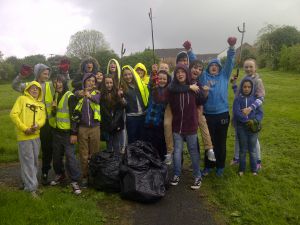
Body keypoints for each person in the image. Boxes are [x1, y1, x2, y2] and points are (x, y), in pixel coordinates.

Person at [199, 37, 236, 177]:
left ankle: (220, 166)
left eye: (216, 65)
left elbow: (230, 62)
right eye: (211, 65)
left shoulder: (224, 76)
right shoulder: (204, 77)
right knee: (209, 142)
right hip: (207, 115)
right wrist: (189, 51)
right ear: (208, 67)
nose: (214, 67)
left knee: (220, 142)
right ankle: (208, 166)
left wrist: (231, 48)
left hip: (222, 115)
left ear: (220, 68)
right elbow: (195, 65)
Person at [12, 63, 54, 185]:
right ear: (38, 73)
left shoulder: (49, 85)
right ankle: (28, 180)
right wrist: (21, 75)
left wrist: (65, 73)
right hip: (29, 123)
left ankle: (45, 174)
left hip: (45, 122)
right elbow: (14, 85)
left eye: (48, 73)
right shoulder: (28, 85)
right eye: (44, 73)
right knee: (29, 154)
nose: (47, 76)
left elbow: (64, 84)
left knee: (46, 149)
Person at [168, 64, 207, 190]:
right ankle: (176, 174)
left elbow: (201, 101)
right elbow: (171, 87)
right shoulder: (173, 87)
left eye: (182, 72)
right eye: (177, 72)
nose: (180, 74)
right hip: (177, 127)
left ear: (187, 73)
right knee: (177, 151)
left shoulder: (196, 86)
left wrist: (204, 92)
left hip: (191, 127)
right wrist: (188, 87)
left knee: (193, 152)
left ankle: (197, 176)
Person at [10, 81, 46, 198]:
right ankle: (31, 189)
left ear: (40, 91)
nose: (35, 90)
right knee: (28, 162)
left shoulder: (41, 104)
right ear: (28, 89)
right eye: (33, 88)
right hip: (24, 137)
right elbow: (13, 114)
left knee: (34, 161)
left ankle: (29, 185)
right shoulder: (22, 99)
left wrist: (38, 125)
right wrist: (24, 128)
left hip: (36, 136)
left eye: (37, 89)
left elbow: (43, 118)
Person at [230, 58, 265, 170]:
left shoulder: (258, 81)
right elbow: (239, 95)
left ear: (255, 68)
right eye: (246, 67)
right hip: (240, 114)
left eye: (251, 66)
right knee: (238, 136)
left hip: (252, 115)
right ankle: (237, 158)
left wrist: (250, 108)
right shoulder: (244, 79)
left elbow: (261, 98)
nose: (248, 69)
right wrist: (234, 84)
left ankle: (258, 161)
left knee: (254, 140)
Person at [49, 74, 82, 195]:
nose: (57, 84)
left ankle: (75, 181)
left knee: (70, 157)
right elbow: (55, 114)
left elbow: (75, 116)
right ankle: (60, 175)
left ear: (64, 82)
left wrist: (74, 133)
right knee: (56, 157)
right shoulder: (56, 95)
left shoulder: (70, 96)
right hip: (56, 132)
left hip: (68, 134)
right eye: (55, 82)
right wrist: (53, 109)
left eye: (59, 82)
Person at [74, 73, 101, 187]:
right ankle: (85, 177)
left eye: (93, 81)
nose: (91, 83)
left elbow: (97, 100)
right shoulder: (79, 94)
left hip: (95, 127)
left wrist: (88, 95)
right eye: (89, 80)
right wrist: (81, 93)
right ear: (84, 82)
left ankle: (94, 176)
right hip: (82, 128)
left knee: (94, 154)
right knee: (83, 154)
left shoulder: (98, 93)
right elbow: (75, 112)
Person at [233, 78, 263, 176]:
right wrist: (246, 120)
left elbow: (260, 113)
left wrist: (254, 121)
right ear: (241, 87)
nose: (246, 89)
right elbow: (236, 113)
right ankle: (241, 169)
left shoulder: (255, 99)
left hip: (253, 128)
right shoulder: (238, 99)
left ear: (252, 88)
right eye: (244, 86)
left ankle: (254, 170)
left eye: (249, 87)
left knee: (252, 149)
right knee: (242, 150)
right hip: (241, 127)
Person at [143, 70, 171, 161]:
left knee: (161, 145)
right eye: (160, 78)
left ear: (168, 80)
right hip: (150, 121)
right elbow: (149, 85)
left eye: (164, 79)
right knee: (151, 144)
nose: (162, 80)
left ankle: (161, 163)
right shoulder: (153, 89)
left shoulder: (169, 91)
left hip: (161, 123)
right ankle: (152, 162)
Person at [120, 65, 149, 144]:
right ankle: (132, 155)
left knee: (143, 139)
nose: (128, 76)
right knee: (132, 139)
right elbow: (124, 104)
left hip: (143, 115)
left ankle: (142, 155)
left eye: (129, 74)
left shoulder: (139, 84)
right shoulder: (122, 87)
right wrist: (121, 98)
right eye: (125, 75)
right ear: (122, 76)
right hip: (131, 117)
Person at [100, 74, 126, 157]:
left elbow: (121, 108)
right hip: (107, 123)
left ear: (113, 83)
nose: (109, 85)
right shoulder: (102, 95)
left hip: (117, 123)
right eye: (107, 83)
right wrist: (110, 121)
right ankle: (109, 163)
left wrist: (114, 121)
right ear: (104, 84)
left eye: (111, 83)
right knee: (109, 144)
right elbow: (103, 110)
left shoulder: (117, 93)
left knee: (116, 144)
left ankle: (117, 162)